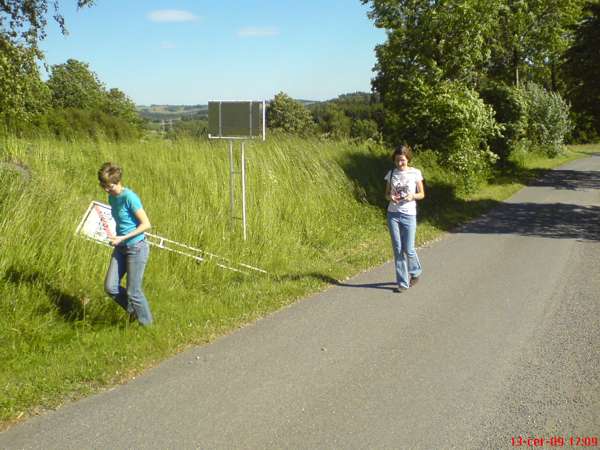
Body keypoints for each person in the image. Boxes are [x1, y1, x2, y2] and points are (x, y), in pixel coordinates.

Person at [98, 162, 153, 325]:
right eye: (104, 186)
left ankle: (148, 326)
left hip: (137, 247)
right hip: (121, 247)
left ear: (118, 181)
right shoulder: (112, 197)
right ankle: (135, 312)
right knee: (110, 287)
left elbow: (146, 224)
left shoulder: (130, 197)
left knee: (133, 291)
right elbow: (122, 222)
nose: (106, 189)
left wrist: (122, 238)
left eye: (110, 186)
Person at [384, 145, 425, 292]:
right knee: (398, 249)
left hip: (409, 214)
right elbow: (386, 194)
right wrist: (391, 197)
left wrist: (412, 196)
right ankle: (402, 282)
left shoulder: (415, 173)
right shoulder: (391, 173)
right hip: (393, 214)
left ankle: (415, 272)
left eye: (402, 160)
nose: (400, 163)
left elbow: (421, 194)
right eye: (397, 160)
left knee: (409, 248)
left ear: (407, 158)